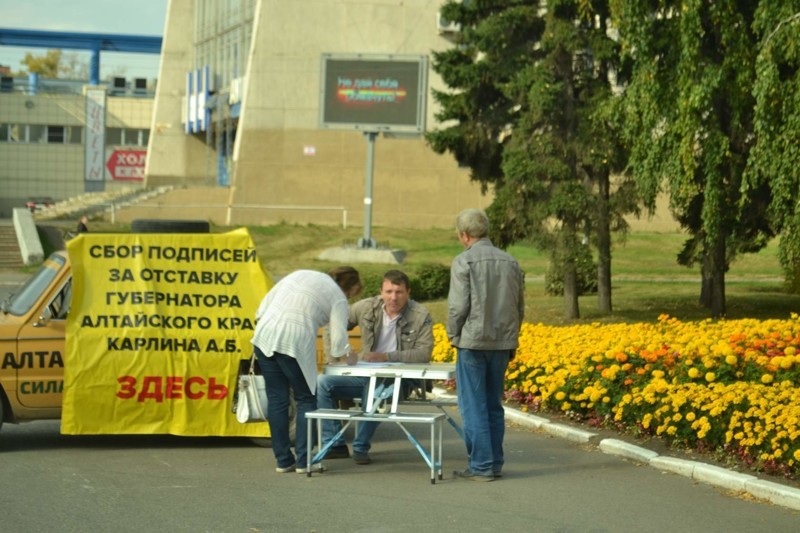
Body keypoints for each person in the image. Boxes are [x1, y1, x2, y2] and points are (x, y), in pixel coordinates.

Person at [251, 266, 362, 474]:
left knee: (277, 399)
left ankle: (283, 461)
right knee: (307, 398)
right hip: (295, 341)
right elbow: (338, 341)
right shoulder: (338, 296)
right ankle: (304, 461)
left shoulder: (299, 274)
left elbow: (262, 309)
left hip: (264, 335)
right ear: (351, 287)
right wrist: (350, 356)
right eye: (353, 293)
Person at [317, 269, 434, 465]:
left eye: (399, 292)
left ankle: (360, 446)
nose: (393, 297)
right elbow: (334, 323)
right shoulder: (366, 307)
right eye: (388, 292)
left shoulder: (421, 314)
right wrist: (334, 359)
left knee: (373, 388)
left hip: (400, 378)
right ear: (381, 292)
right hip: (364, 372)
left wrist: (386, 356)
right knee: (322, 383)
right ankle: (334, 444)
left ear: (408, 293)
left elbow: (424, 353)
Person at [447, 208, 524, 481]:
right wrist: (512, 338)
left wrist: (453, 335)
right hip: (502, 342)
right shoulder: (511, 262)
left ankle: (481, 466)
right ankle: (495, 463)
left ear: (464, 235)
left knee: (473, 406)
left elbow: (458, 307)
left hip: (472, 342)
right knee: (493, 404)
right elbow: (519, 306)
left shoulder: (464, 261)